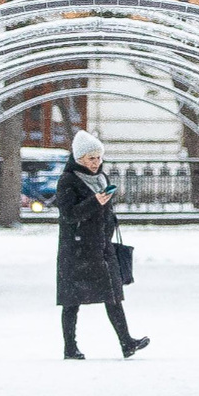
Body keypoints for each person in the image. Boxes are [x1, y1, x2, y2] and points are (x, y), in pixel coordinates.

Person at [55, 128, 147, 360]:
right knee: (72, 301)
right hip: (76, 250)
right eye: (91, 158)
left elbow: (105, 213)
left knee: (113, 296)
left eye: (98, 157)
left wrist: (109, 220)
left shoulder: (102, 179)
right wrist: (95, 201)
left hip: (102, 248)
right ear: (79, 159)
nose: (96, 163)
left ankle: (126, 342)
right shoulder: (68, 180)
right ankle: (70, 348)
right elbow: (68, 214)